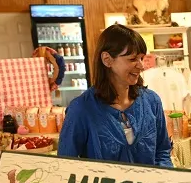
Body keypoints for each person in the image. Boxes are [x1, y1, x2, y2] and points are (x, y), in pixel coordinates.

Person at [58, 24, 173, 166]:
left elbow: (162, 151)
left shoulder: (152, 101)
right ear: (107, 59)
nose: (141, 66)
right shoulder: (81, 109)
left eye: (141, 58)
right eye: (132, 59)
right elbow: (65, 165)